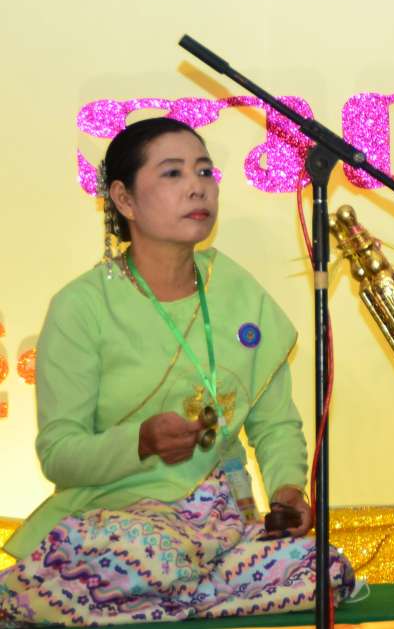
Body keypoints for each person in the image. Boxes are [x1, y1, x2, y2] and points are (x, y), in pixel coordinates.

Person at [0, 118, 358, 625]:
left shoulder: (236, 290)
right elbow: (60, 454)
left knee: (322, 568)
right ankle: (167, 593)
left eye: (205, 171)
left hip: (222, 525)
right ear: (124, 200)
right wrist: (140, 443)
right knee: (147, 558)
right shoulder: (81, 306)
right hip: (121, 523)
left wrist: (286, 492)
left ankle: (138, 602)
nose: (197, 187)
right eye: (172, 173)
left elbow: (274, 422)